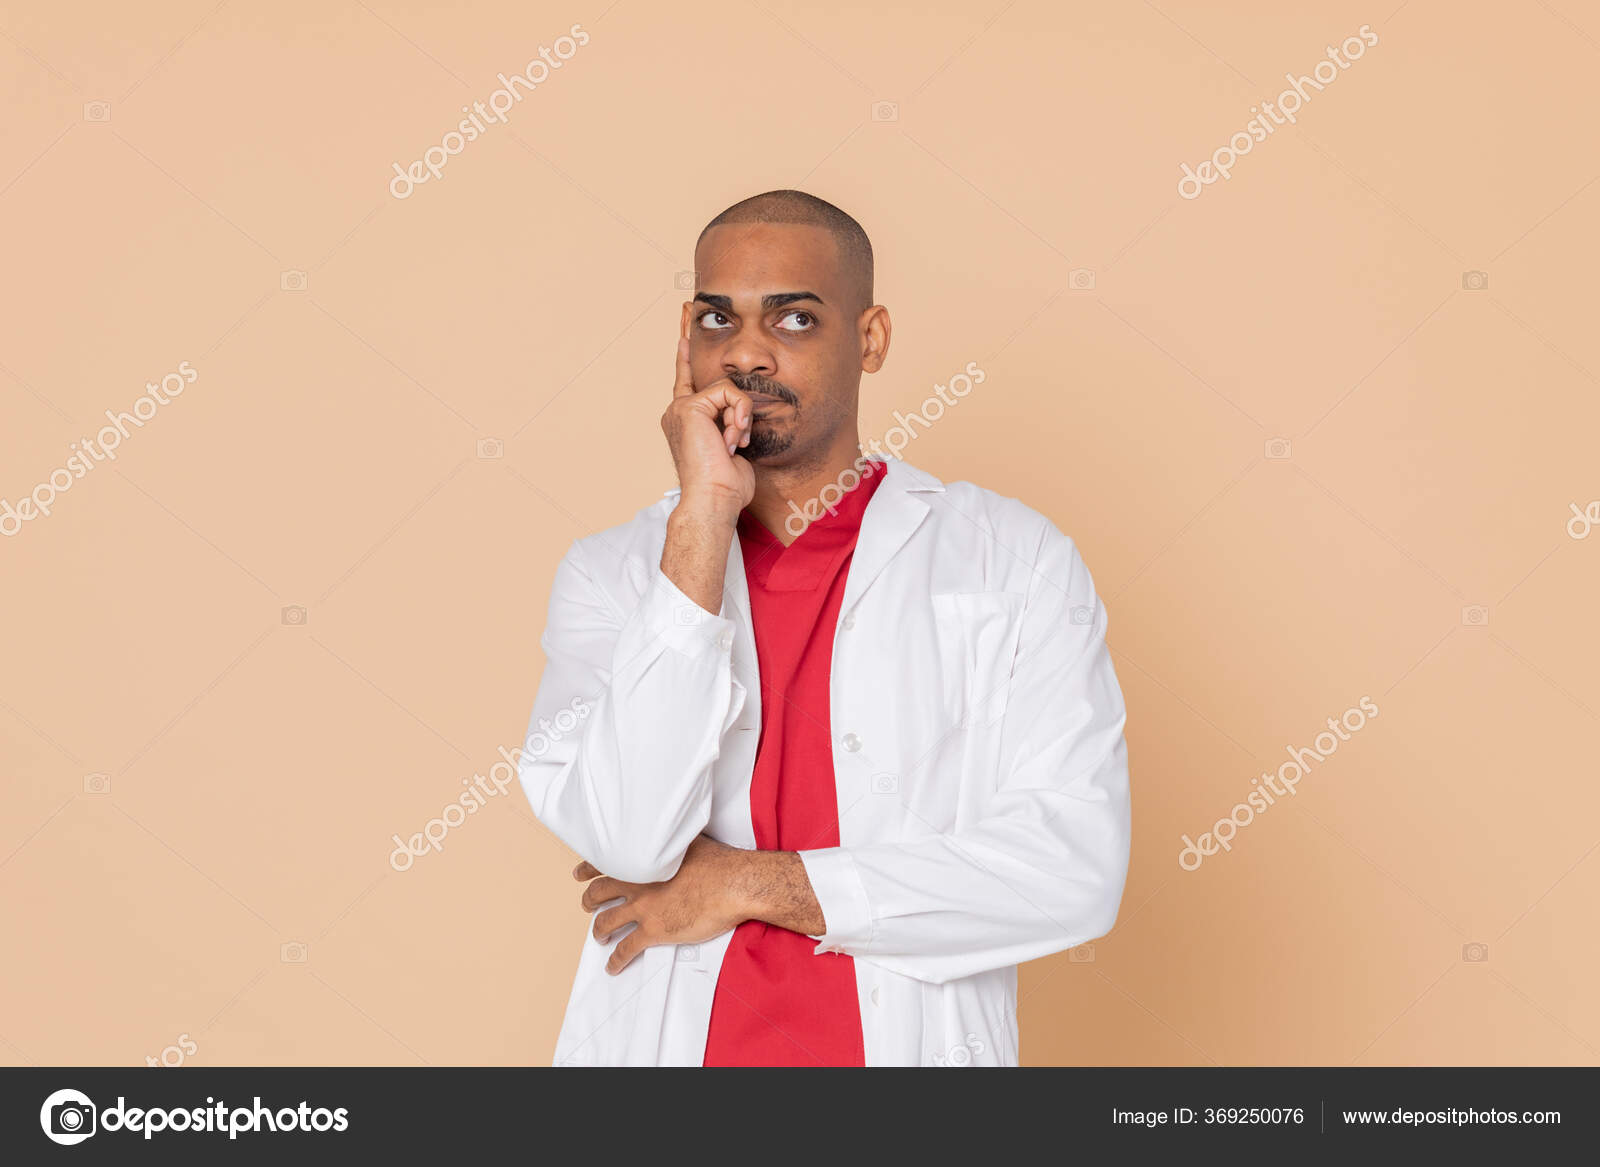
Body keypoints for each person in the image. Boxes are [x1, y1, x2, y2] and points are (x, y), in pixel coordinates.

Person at [517, 190, 1131, 1066]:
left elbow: (1072, 869)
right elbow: (626, 837)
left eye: (795, 318)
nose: (747, 352)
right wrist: (701, 522)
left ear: (871, 339)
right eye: (717, 317)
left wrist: (751, 884)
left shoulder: (1010, 560)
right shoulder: (613, 573)